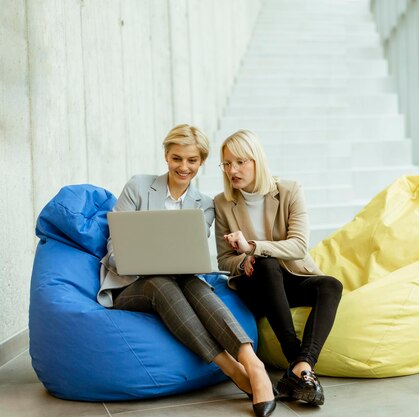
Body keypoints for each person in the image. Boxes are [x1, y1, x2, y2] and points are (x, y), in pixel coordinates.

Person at [98, 124, 276, 417]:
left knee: (195, 284)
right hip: (129, 285)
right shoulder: (138, 187)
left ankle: (252, 364)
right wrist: (140, 262)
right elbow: (115, 249)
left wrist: (178, 265)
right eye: (176, 158)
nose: (184, 167)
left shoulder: (203, 205)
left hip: (180, 281)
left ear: (202, 162)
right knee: (160, 283)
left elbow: (187, 256)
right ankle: (232, 368)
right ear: (166, 156)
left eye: (192, 160)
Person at [214, 129, 343, 406]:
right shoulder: (222, 203)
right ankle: (295, 357)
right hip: (255, 286)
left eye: (240, 162)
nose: (232, 170)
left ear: (257, 161)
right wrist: (245, 259)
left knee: (331, 285)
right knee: (267, 265)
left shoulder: (289, 191)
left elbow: (298, 246)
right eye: (226, 164)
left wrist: (252, 247)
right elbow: (223, 260)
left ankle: (301, 367)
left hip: (291, 277)